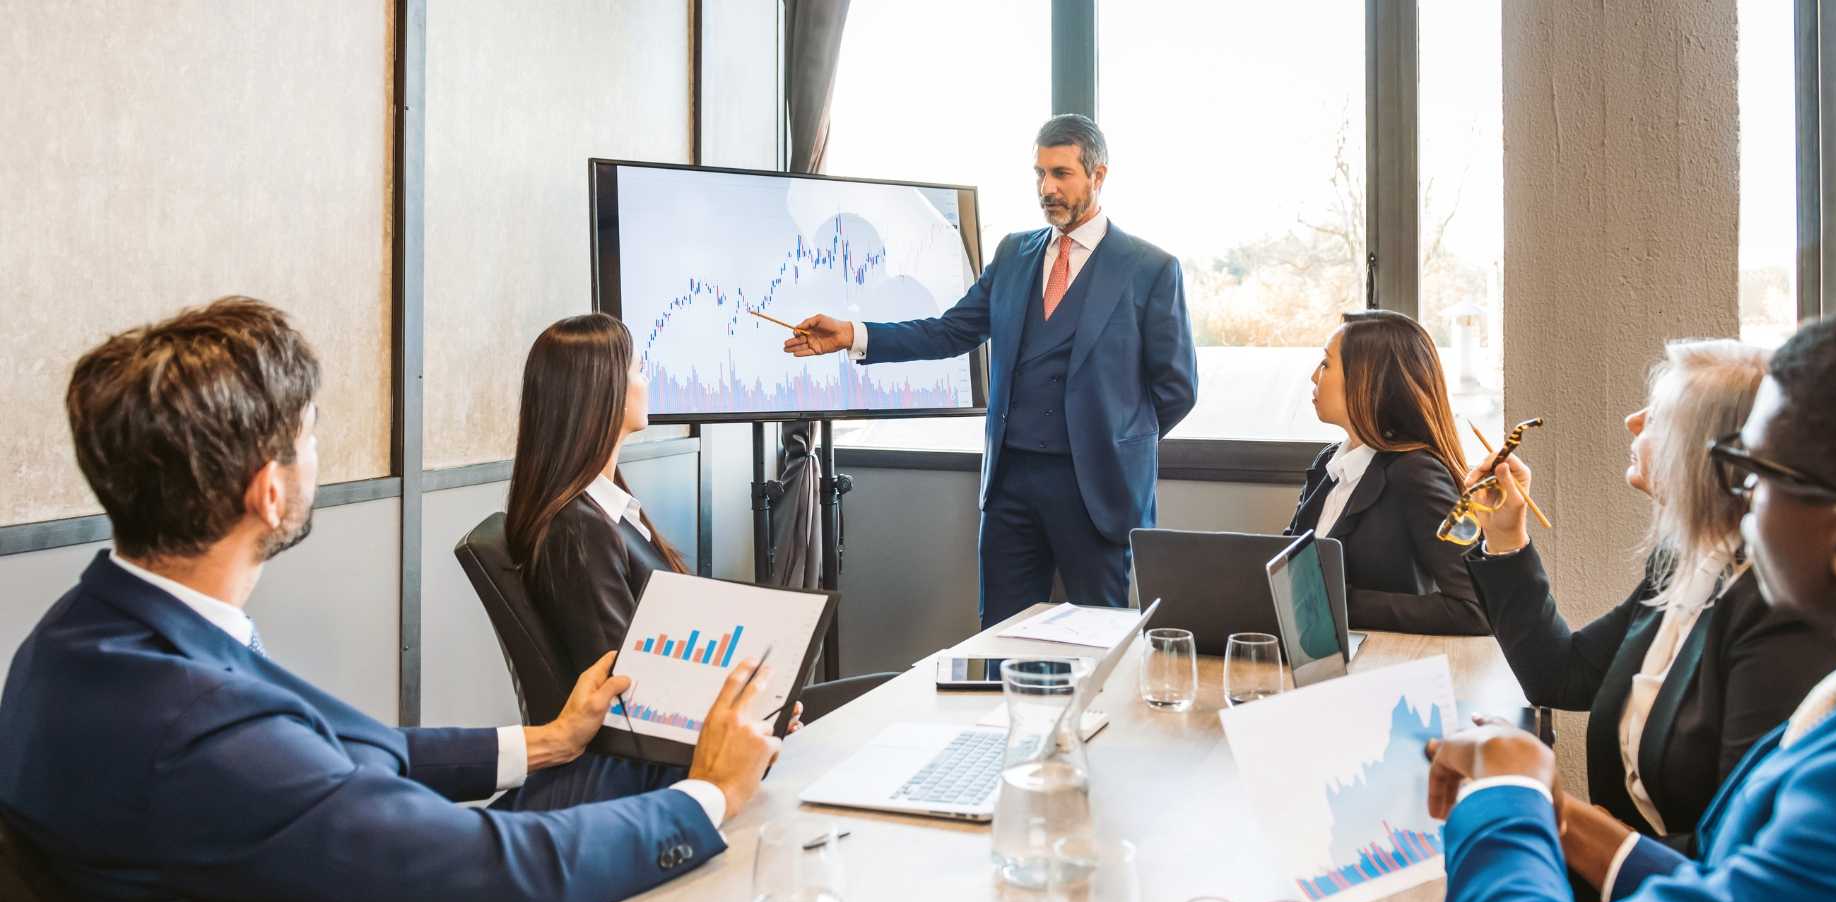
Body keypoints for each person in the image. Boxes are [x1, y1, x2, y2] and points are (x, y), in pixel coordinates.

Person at [0, 298, 782, 902]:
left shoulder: (80, 642)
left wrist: (543, 742)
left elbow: (347, 752)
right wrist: (708, 794)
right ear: (269, 494)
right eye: (308, 437)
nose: (317, 455)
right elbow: (509, 873)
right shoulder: (201, 725)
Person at [1428, 299, 1836, 902]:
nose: (1742, 498)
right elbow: (1739, 895)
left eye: (1754, 474)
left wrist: (1504, 798)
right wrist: (1566, 820)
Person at [782, 114, 1197, 626]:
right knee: (998, 639)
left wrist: (1113, 441)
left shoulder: (1150, 268)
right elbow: (950, 331)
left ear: (1098, 176)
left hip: (1098, 492)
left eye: (1061, 174)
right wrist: (854, 334)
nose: (1047, 188)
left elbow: (1177, 388)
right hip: (1010, 486)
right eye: (1039, 174)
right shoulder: (1014, 253)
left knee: (1097, 640)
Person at [1461, 341, 1836, 875]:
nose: (1631, 420)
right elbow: (1562, 675)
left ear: (1707, 452)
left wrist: (1565, 823)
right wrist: (1506, 535)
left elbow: (1742, 857)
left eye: (1659, 414)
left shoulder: (1778, 612)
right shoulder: (1681, 560)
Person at [500, 313, 697, 807]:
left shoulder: (607, 511)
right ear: (601, 391)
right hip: (641, 770)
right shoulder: (579, 529)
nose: (646, 382)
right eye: (638, 369)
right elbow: (627, 680)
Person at [1285, 310, 1488, 635]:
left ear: (1366, 380)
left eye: (1325, 365)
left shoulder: (1417, 475)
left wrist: (1340, 604)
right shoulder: (1328, 463)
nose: (1314, 376)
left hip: (1387, 670)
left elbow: (1475, 607)